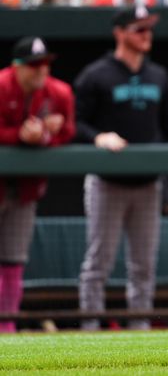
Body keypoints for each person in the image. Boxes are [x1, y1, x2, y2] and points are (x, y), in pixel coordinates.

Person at [73, 6, 168, 330]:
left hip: (147, 183)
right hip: (107, 181)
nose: (146, 35)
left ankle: (139, 330)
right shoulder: (96, 74)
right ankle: (89, 330)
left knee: (143, 265)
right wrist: (99, 137)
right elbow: (75, 122)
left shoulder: (158, 75)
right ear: (120, 32)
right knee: (98, 263)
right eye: (139, 29)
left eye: (149, 29)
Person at [0, 36, 75, 333]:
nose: (40, 71)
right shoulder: (1, 86)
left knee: (12, 261)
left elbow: (68, 132)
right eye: (33, 65)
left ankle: (7, 327)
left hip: (26, 190)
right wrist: (18, 135)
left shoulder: (60, 92)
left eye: (44, 64)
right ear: (16, 66)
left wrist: (46, 137)